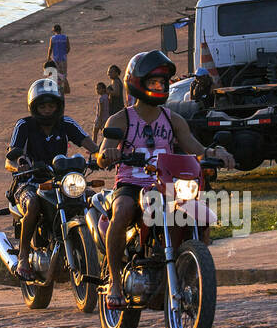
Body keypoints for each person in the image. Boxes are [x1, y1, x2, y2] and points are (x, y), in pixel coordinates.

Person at [96, 51, 235, 308]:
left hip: (164, 185)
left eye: (163, 82)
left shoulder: (173, 119)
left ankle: (187, 275)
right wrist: (108, 154)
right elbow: (102, 156)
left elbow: (195, 148)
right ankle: (115, 281)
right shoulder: (121, 119)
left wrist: (215, 153)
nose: (160, 87)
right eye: (153, 83)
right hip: (131, 183)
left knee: (193, 213)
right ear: (137, 83)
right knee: (123, 209)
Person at [5, 78, 98, 280]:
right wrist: (21, 165)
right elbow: (11, 157)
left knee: (93, 198)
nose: (47, 110)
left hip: (62, 182)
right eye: (43, 106)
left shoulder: (66, 123)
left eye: (51, 105)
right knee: (34, 204)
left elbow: (87, 143)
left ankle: (98, 252)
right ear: (34, 107)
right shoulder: (24, 125)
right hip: (29, 182)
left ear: (58, 106)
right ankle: (23, 256)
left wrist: (100, 155)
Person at [49, 24, 71, 92]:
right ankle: (66, 88)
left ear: (54, 31)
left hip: (55, 58)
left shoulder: (52, 38)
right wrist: (64, 53)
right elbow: (68, 48)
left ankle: (58, 88)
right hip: (63, 59)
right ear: (60, 30)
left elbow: (50, 48)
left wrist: (48, 57)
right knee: (63, 74)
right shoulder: (65, 37)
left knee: (56, 74)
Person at [92, 81, 111, 145]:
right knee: (104, 134)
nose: (97, 90)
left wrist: (99, 120)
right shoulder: (107, 97)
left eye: (99, 88)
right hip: (106, 117)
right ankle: (105, 145)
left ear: (103, 89)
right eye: (96, 89)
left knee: (95, 132)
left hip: (100, 118)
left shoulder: (101, 98)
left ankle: (93, 146)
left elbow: (101, 110)